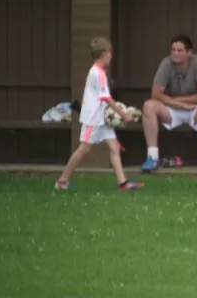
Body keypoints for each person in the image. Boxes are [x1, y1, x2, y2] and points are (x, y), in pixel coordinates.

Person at [55, 38, 144, 191]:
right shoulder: (98, 73)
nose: (111, 56)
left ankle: (122, 183)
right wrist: (124, 114)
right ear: (103, 54)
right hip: (93, 118)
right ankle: (62, 181)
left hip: (101, 118)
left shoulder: (97, 71)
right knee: (84, 148)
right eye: (110, 53)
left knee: (114, 146)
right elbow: (106, 98)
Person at [140, 35, 197, 176]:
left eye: (179, 50)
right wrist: (178, 104)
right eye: (173, 50)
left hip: (194, 109)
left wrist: (181, 101)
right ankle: (152, 158)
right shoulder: (166, 63)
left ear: (189, 52)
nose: (175, 53)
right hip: (172, 109)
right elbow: (156, 94)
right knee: (148, 105)